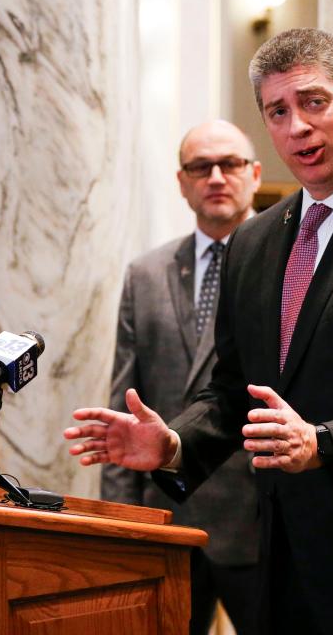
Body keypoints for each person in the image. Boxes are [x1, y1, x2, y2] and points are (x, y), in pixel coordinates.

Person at [66, 28, 333, 634]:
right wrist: (175, 444)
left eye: (313, 102)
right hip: (290, 575)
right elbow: (233, 388)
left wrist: (325, 442)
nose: (297, 126)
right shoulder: (254, 240)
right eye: (278, 111)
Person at [103, 120, 262, 635]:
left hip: (260, 525)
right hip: (168, 520)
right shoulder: (145, 274)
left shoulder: (291, 263)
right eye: (200, 167)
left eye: (230, 164)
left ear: (255, 175)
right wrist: (121, 524)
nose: (216, 177)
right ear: (182, 180)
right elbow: (124, 406)